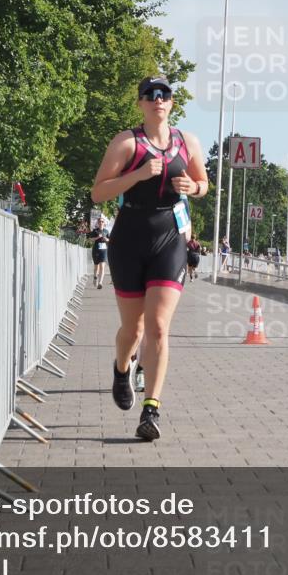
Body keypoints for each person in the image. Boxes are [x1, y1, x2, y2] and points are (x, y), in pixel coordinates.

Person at [91, 76, 209, 440]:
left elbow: (203, 184)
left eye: (165, 95)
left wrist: (194, 187)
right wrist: (139, 174)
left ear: (172, 103)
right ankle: (121, 367)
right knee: (134, 329)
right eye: (150, 95)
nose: (158, 100)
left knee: (158, 327)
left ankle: (151, 410)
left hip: (169, 237)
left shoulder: (187, 142)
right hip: (129, 237)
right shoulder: (126, 142)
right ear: (140, 102)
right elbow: (98, 193)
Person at [89, 216, 110, 288]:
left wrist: (106, 239)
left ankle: (100, 283)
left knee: (102, 266)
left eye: (102, 221)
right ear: (97, 223)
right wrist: (98, 237)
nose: (101, 223)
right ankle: (95, 277)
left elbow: (110, 240)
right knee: (96, 267)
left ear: (104, 223)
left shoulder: (106, 231)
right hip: (96, 250)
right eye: (99, 221)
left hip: (104, 250)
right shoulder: (95, 231)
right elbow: (90, 239)